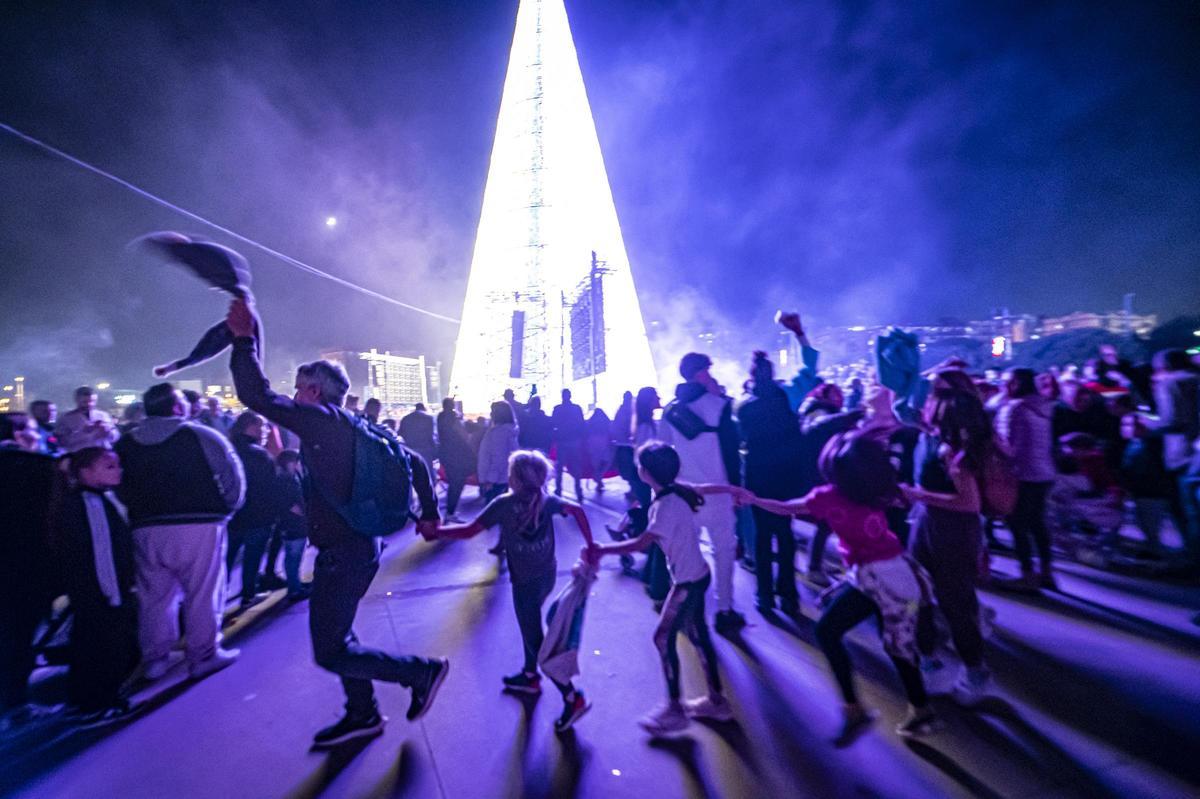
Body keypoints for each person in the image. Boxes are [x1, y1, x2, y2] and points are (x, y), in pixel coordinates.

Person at [227, 298, 448, 748]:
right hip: (360, 546)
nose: (293, 394)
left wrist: (244, 341)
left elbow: (255, 397)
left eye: (299, 387)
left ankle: (419, 672)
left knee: (331, 650)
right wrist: (428, 513)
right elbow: (419, 463)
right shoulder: (360, 426)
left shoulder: (321, 421)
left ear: (314, 393)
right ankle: (361, 713)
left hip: (344, 553)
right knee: (341, 635)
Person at [745, 432, 939, 743]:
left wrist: (754, 500)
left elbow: (787, 508)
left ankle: (864, 709)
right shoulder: (878, 490)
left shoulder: (829, 496)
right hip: (899, 576)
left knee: (839, 634)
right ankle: (916, 706)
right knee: (897, 646)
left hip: (876, 580)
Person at [425, 450, 594, 733]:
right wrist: (590, 546)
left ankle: (571, 696)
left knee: (535, 638)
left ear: (514, 477)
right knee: (531, 628)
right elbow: (577, 511)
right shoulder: (547, 500)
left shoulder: (504, 503)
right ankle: (530, 676)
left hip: (525, 583)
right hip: (546, 574)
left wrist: (437, 533)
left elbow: (469, 532)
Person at [590, 442, 737, 734]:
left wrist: (602, 550)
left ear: (645, 473)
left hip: (687, 582)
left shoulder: (664, 506)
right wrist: (734, 491)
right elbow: (706, 488)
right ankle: (716, 702)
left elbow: (641, 543)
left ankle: (674, 709)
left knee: (662, 638)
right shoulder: (675, 490)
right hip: (698, 575)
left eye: (640, 465)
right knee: (698, 636)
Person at [114, 382, 244, 681]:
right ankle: (204, 655)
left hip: (146, 528)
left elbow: (116, 486)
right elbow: (231, 475)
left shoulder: (125, 443)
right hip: (200, 523)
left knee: (154, 597)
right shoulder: (200, 434)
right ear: (176, 407)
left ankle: (155, 659)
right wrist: (228, 509)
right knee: (203, 592)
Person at [899, 369, 992, 704]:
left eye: (934, 391)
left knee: (955, 603)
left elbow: (969, 502)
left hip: (952, 530)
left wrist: (917, 494)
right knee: (916, 593)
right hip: (927, 524)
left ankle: (975, 671)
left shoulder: (953, 445)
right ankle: (928, 660)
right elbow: (901, 400)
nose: (926, 397)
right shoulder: (931, 435)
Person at [659, 353, 746, 634]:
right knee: (724, 552)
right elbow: (732, 454)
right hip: (719, 492)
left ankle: (687, 610)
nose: (712, 375)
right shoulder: (719, 406)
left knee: (687, 555)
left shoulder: (670, 411)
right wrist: (737, 490)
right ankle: (725, 609)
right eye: (708, 370)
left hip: (685, 495)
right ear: (699, 374)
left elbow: (664, 452)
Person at [53, 448, 141, 724]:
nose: (118, 470)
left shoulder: (86, 500)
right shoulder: (91, 504)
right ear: (85, 472)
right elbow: (102, 552)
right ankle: (101, 702)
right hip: (104, 592)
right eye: (109, 466)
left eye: (116, 465)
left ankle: (82, 701)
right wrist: (114, 592)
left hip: (91, 592)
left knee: (86, 643)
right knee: (105, 646)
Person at [735, 351, 803, 616]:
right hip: (785, 479)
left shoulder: (746, 407)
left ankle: (765, 596)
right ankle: (789, 595)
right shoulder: (784, 401)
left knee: (763, 538)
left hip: (758, 479)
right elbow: (796, 439)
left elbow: (744, 441)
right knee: (786, 537)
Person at [994, 368, 1058, 589]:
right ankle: (1047, 573)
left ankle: (1027, 575)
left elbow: (1011, 450)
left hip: (1022, 474)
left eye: (1006, 382)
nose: (1003, 386)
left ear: (1016, 383)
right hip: (1045, 472)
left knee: (1017, 523)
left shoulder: (1015, 409)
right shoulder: (1044, 406)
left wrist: (992, 439)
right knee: (1038, 523)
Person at [798, 383, 865, 586]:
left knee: (828, 523)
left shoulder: (824, 410)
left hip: (825, 471)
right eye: (833, 395)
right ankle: (814, 568)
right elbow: (819, 426)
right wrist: (851, 416)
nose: (838, 399)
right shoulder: (815, 411)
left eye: (839, 395)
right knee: (826, 522)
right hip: (818, 474)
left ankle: (816, 564)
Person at [1146, 350, 1200, 570]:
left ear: (1164, 366)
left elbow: (1172, 421)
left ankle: (1195, 562)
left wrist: (1146, 424)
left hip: (1184, 455)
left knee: (1191, 513)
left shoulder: (1170, 384)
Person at [226, 411, 281, 611]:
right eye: (263, 426)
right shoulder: (259, 454)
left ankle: (218, 596)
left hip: (233, 516)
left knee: (228, 558)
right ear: (252, 427)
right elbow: (270, 487)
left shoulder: (229, 449)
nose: (266, 431)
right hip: (257, 516)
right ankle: (248, 595)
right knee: (252, 558)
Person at [275, 449, 312, 601]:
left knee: (293, 557)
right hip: (294, 524)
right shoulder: (286, 480)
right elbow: (291, 504)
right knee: (293, 556)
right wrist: (306, 516)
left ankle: (295, 584)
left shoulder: (286, 478)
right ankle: (294, 589)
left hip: (289, 524)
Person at [437, 398, 475, 523]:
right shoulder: (453, 416)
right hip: (457, 454)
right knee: (458, 482)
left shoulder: (440, 417)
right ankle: (450, 512)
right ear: (452, 406)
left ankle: (450, 511)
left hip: (445, 453)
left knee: (454, 482)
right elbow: (463, 435)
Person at [477, 401, 520, 504]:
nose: (491, 414)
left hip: (495, 481)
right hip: (503, 477)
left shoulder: (499, 433)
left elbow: (498, 458)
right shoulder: (508, 431)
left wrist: (490, 480)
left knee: (492, 513)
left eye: (492, 411)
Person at [55, 386, 119, 453]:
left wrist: (108, 432)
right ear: (77, 400)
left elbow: (116, 436)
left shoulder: (103, 415)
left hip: (102, 455)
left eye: (92, 401)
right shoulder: (66, 418)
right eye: (85, 402)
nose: (89, 404)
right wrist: (83, 433)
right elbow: (60, 441)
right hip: (79, 456)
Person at [551, 389, 587, 500]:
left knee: (560, 467)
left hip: (562, 441)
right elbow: (582, 424)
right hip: (575, 440)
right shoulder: (576, 409)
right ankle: (578, 490)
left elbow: (553, 424)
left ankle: (558, 489)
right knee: (576, 466)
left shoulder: (557, 409)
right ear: (570, 396)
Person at [399, 402, 438, 470]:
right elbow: (433, 435)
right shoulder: (429, 418)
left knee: (416, 471)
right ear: (424, 408)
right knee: (427, 470)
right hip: (426, 449)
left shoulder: (405, 418)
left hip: (411, 449)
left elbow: (401, 434)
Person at [584, 406, 614, 493]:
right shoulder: (605, 420)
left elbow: (587, 430)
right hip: (603, 440)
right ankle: (598, 478)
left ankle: (598, 478)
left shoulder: (591, 421)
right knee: (605, 461)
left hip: (592, 441)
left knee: (596, 462)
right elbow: (610, 429)